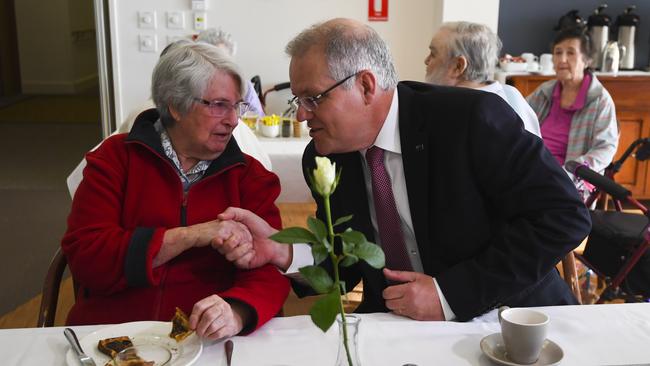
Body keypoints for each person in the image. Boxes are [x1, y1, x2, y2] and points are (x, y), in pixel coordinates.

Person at [215, 18, 591, 322]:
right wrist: (282, 252)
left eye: (313, 98)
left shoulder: (470, 121)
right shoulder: (324, 156)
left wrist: (448, 296)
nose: (300, 114)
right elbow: (347, 267)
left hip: (507, 316)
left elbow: (564, 216)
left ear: (365, 85)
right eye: (299, 100)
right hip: (396, 326)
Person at [60, 40, 289, 339]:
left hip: (205, 341)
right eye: (219, 105)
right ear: (175, 106)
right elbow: (88, 258)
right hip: (114, 336)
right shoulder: (114, 159)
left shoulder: (250, 176)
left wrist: (236, 311)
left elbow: (269, 270)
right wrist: (190, 235)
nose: (233, 120)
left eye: (236, 106)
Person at [527, 27, 619, 199]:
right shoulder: (545, 92)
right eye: (558, 52)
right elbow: (518, 118)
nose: (562, 59)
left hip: (569, 182)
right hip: (533, 171)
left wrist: (574, 172)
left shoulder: (600, 99)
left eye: (570, 53)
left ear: (587, 60)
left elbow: (605, 148)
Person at [424, 21, 541, 137]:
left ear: (458, 66)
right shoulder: (511, 93)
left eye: (433, 54)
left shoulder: (461, 110)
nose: (426, 61)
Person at [196, 28, 265, 118]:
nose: (218, 67)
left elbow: (260, 119)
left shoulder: (244, 87)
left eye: (224, 61)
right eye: (211, 60)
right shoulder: (192, 87)